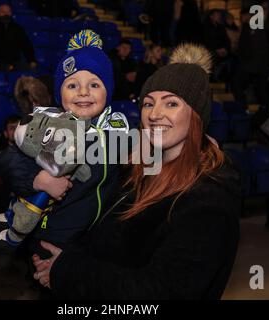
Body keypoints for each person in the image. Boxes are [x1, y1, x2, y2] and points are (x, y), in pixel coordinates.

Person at [32, 43, 241, 299]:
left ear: (196, 116)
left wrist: (67, 269)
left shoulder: (208, 200)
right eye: (148, 103)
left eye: (171, 104)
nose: (155, 114)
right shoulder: (136, 170)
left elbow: (158, 292)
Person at [0, 30, 129, 263]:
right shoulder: (50, 122)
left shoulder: (119, 128)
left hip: (97, 244)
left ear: (108, 90)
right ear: (59, 92)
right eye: (72, 85)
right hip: (52, 237)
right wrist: (37, 180)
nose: (83, 92)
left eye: (94, 84)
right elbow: (7, 159)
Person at [0, 4, 37, 72]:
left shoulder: (18, 29)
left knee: (31, 72)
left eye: (8, 12)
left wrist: (32, 60)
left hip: (16, 63)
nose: (6, 14)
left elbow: (26, 45)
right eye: (3, 12)